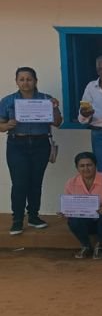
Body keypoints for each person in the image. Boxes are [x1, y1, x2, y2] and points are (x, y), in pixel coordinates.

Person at [0, 67, 63, 234]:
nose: (25, 82)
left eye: (29, 79)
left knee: (36, 182)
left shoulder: (46, 99)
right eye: (21, 79)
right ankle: (17, 220)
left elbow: (58, 123)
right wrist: (7, 125)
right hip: (17, 144)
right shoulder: (7, 101)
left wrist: (55, 108)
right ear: (16, 81)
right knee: (19, 183)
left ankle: (34, 216)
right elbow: (0, 125)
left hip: (40, 143)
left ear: (35, 81)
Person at [62, 151, 102, 259]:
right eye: (82, 166)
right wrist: (65, 212)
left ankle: (99, 246)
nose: (86, 169)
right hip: (86, 222)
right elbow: (69, 206)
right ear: (77, 168)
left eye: (89, 165)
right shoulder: (71, 183)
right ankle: (86, 246)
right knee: (73, 220)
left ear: (95, 165)